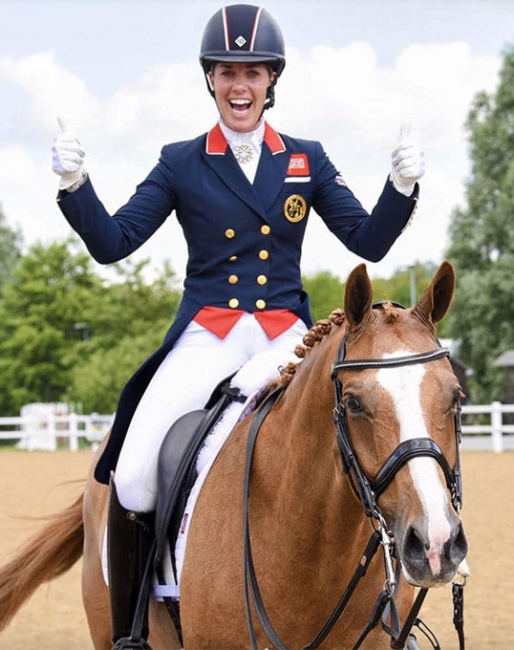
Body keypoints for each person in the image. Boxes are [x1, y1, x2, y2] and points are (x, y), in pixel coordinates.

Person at [52, 4, 424, 648]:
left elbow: (368, 237)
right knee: (135, 469)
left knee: (361, 447)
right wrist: (76, 185)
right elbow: (114, 242)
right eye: (227, 72)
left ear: (272, 79)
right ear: (211, 80)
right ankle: (134, 628)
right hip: (207, 333)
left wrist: (400, 187)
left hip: (288, 340)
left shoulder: (306, 158)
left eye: (253, 72)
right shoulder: (181, 161)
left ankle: (387, 608)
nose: (240, 85)